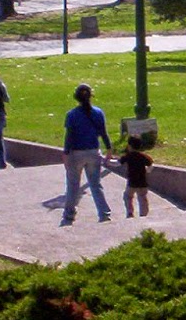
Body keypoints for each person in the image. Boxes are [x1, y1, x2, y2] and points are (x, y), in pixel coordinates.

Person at [60, 83, 114, 225]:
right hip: (93, 152)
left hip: (76, 153)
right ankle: (104, 213)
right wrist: (109, 149)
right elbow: (103, 133)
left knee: (73, 186)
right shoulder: (98, 113)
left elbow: (69, 136)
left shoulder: (71, 115)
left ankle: (69, 215)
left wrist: (66, 153)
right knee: (95, 184)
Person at [118, 135, 153, 218]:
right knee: (143, 197)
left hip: (132, 182)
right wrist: (148, 170)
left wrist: (106, 161)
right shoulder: (144, 156)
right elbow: (151, 164)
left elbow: (117, 163)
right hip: (143, 182)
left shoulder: (128, 156)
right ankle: (144, 214)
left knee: (128, 196)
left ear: (129, 146)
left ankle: (130, 212)